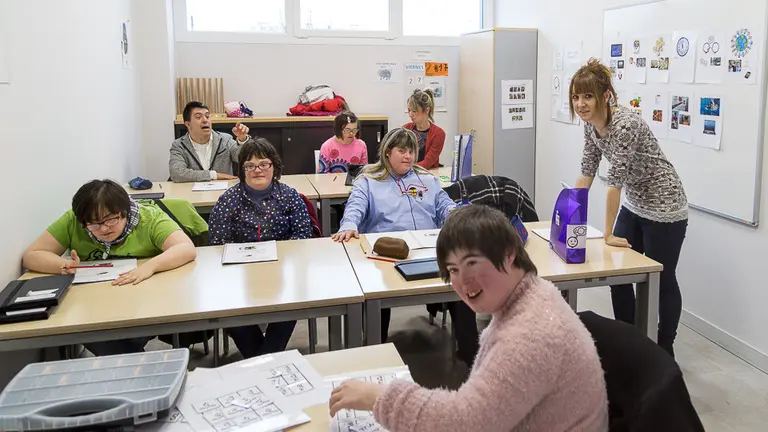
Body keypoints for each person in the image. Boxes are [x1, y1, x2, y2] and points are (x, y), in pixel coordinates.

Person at [329, 205, 609, 431]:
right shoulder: (530, 297)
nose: (463, 282)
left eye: (472, 263)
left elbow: (466, 422)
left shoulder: (531, 335)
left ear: (509, 254)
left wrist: (378, 397)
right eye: (452, 270)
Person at [570, 59, 688, 357]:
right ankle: (633, 342)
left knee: (661, 279)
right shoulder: (590, 126)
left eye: (587, 96)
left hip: (665, 205)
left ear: (605, 96)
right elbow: (586, 171)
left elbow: (614, 183)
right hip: (636, 203)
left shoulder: (626, 125)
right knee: (619, 275)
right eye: (575, 97)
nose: (581, 104)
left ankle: (664, 349)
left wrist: (607, 233)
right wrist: (567, 216)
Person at [331, 128, 478, 366]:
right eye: (402, 151)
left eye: (412, 151)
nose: (408, 156)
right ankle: (375, 358)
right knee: (376, 292)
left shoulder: (427, 180)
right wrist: (349, 225)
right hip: (386, 256)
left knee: (462, 282)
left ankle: (471, 352)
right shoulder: (368, 181)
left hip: (430, 250)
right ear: (388, 152)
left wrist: (460, 216)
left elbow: (444, 206)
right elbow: (354, 208)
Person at [21, 180, 197, 356]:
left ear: (125, 212)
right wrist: (62, 265)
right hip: (97, 305)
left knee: (128, 338)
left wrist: (150, 266)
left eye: (111, 219)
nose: (104, 229)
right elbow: (32, 255)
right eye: (94, 224)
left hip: (144, 299)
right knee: (101, 339)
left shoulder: (149, 218)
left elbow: (185, 248)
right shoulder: (72, 221)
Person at [208, 137, 313, 358]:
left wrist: (279, 258)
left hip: (281, 272)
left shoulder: (289, 196)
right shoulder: (228, 200)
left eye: (264, 164)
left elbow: (303, 236)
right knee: (229, 308)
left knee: (291, 302)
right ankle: (267, 360)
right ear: (242, 169)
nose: (258, 170)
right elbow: (217, 244)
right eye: (250, 165)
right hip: (239, 276)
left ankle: (262, 360)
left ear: (274, 167)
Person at [169, 101, 251, 182]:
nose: (205, 120)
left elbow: (244, 159)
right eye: (198, 117)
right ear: (188, 124)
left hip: (222, 192)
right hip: (191, 193)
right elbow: (177, 173)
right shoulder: (179, 145)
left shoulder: (225, 140)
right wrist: (214, 175)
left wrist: (242, 139)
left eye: (207, 116)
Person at [403, 89, 445, 170]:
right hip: (407, 172)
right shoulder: (406, 129)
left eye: (414, 111)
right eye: (409, 110)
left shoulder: (439, 134)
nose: (410, 114)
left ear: (427, 110)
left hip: (428, 173)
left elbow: (427, 163)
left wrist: (405, 168)